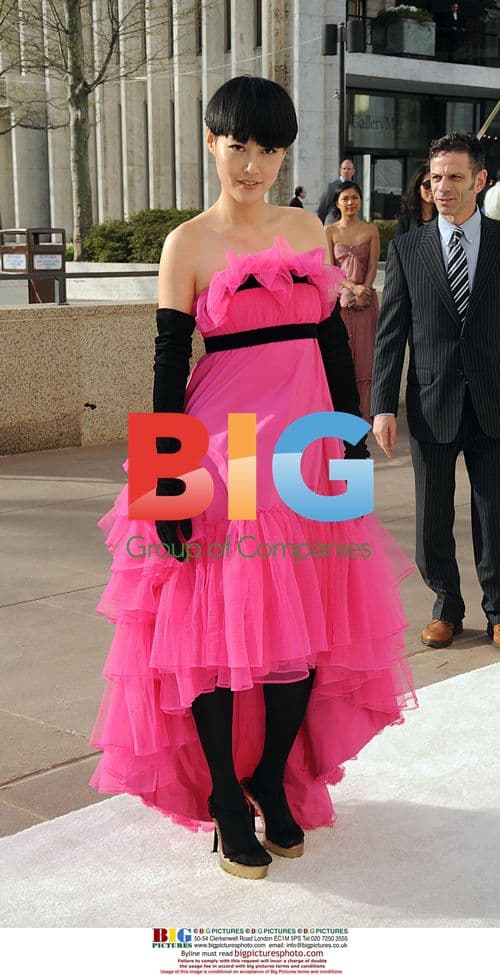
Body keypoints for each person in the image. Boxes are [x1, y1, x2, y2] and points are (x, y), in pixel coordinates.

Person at [90, 76, 416, 881]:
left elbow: (332, 341)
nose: (252, 165)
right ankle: (227, 802)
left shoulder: (305, 227)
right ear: (212, 143)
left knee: (308, 624)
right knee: (213, 633)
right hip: (224, 450)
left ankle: (271, 775)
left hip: (306, 448)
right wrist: (164, 486)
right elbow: (169, 365)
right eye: (238, 146)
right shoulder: (187, 244)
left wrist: (347, 434)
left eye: (269, 150)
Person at [371, 131, 500, 653]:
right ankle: (446, 606)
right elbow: (391, 334)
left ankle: (498, 611)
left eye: (454, 177)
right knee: (432, 518)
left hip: (493, 403)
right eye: (436, 177)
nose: (442, 187)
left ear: (480, 180)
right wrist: (382, 406)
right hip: (431, 402)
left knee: (494, 515)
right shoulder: (408, 248)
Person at [325, 181, 380, 422]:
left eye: (355, 197)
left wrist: (364, 289)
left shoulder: (371, 230)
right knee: (344, 358)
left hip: (366, 302)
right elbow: (329, 269)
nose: (351, 203)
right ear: (337, 203)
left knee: (367, 358)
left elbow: (373, 265)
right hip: (340, 303)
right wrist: (352, 287)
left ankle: (365, 416)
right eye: (345, 198)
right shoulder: (329, 231)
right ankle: (345, 416)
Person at [395, 165, 437, 236]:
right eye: (427, 185)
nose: (432, 189)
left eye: (435, 185)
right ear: (418, 189)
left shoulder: (444, 217)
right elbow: (399, 241)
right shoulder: (406, 219)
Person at [317, 159, 355, 225]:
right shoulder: (331, 187)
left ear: (353, 171)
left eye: (349, 169)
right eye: (344, 169)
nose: (346, 171)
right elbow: (322, 208)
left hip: (349, 225)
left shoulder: (355, 187)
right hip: (333, 223)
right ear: (340, 170)